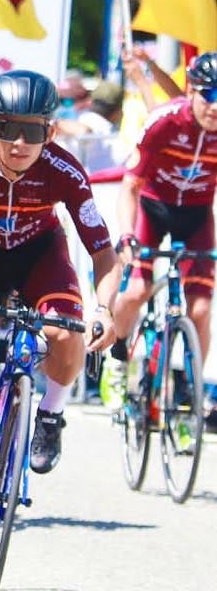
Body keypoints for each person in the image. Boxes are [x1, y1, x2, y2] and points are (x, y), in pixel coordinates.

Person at [0, 71, 118, 569]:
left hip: (39, 255)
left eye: (33, 131)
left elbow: (104, 255)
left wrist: (105, 309)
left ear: (50, 133)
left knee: (65, 332)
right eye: (8, 129)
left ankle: (50, 414)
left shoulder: (65, 170)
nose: (19, 143)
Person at [111, 51, 217, 435]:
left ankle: (190, 387)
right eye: (210, 93)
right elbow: (129, 187)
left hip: (197, 215)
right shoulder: (163, 122)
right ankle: (119, 355)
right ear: (192, 91)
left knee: (201, 309)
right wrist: (125, 237)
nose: (216, 105)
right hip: (152, 210)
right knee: (136, 290)